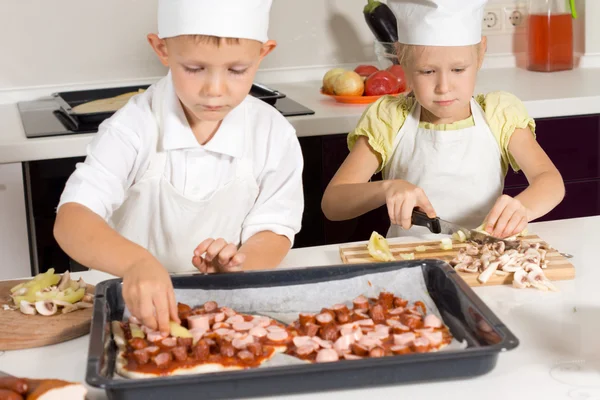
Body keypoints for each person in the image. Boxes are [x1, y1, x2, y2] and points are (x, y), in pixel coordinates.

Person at [54, 0, 304, 335]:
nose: (214, 89)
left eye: (236, 70)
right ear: (162, 49)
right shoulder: (133, 126)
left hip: (223, 309)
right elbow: (72, 220)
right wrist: (136, 263)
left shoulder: (273, 133)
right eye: (195, 68)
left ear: (263, 54)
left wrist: (240, 267)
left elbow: (274, 228)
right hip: (128, 310)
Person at [322, 0, 564, 240]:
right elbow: (333, 203)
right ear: (402, 60)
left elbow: (550, 182)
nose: (444, 87)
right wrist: (388, 188)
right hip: (408, 261)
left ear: (480, 55)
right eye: (427, 71)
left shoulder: (499, 114)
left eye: (458, 70)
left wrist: (522, 207)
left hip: (482, 259)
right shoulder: (390, 119)